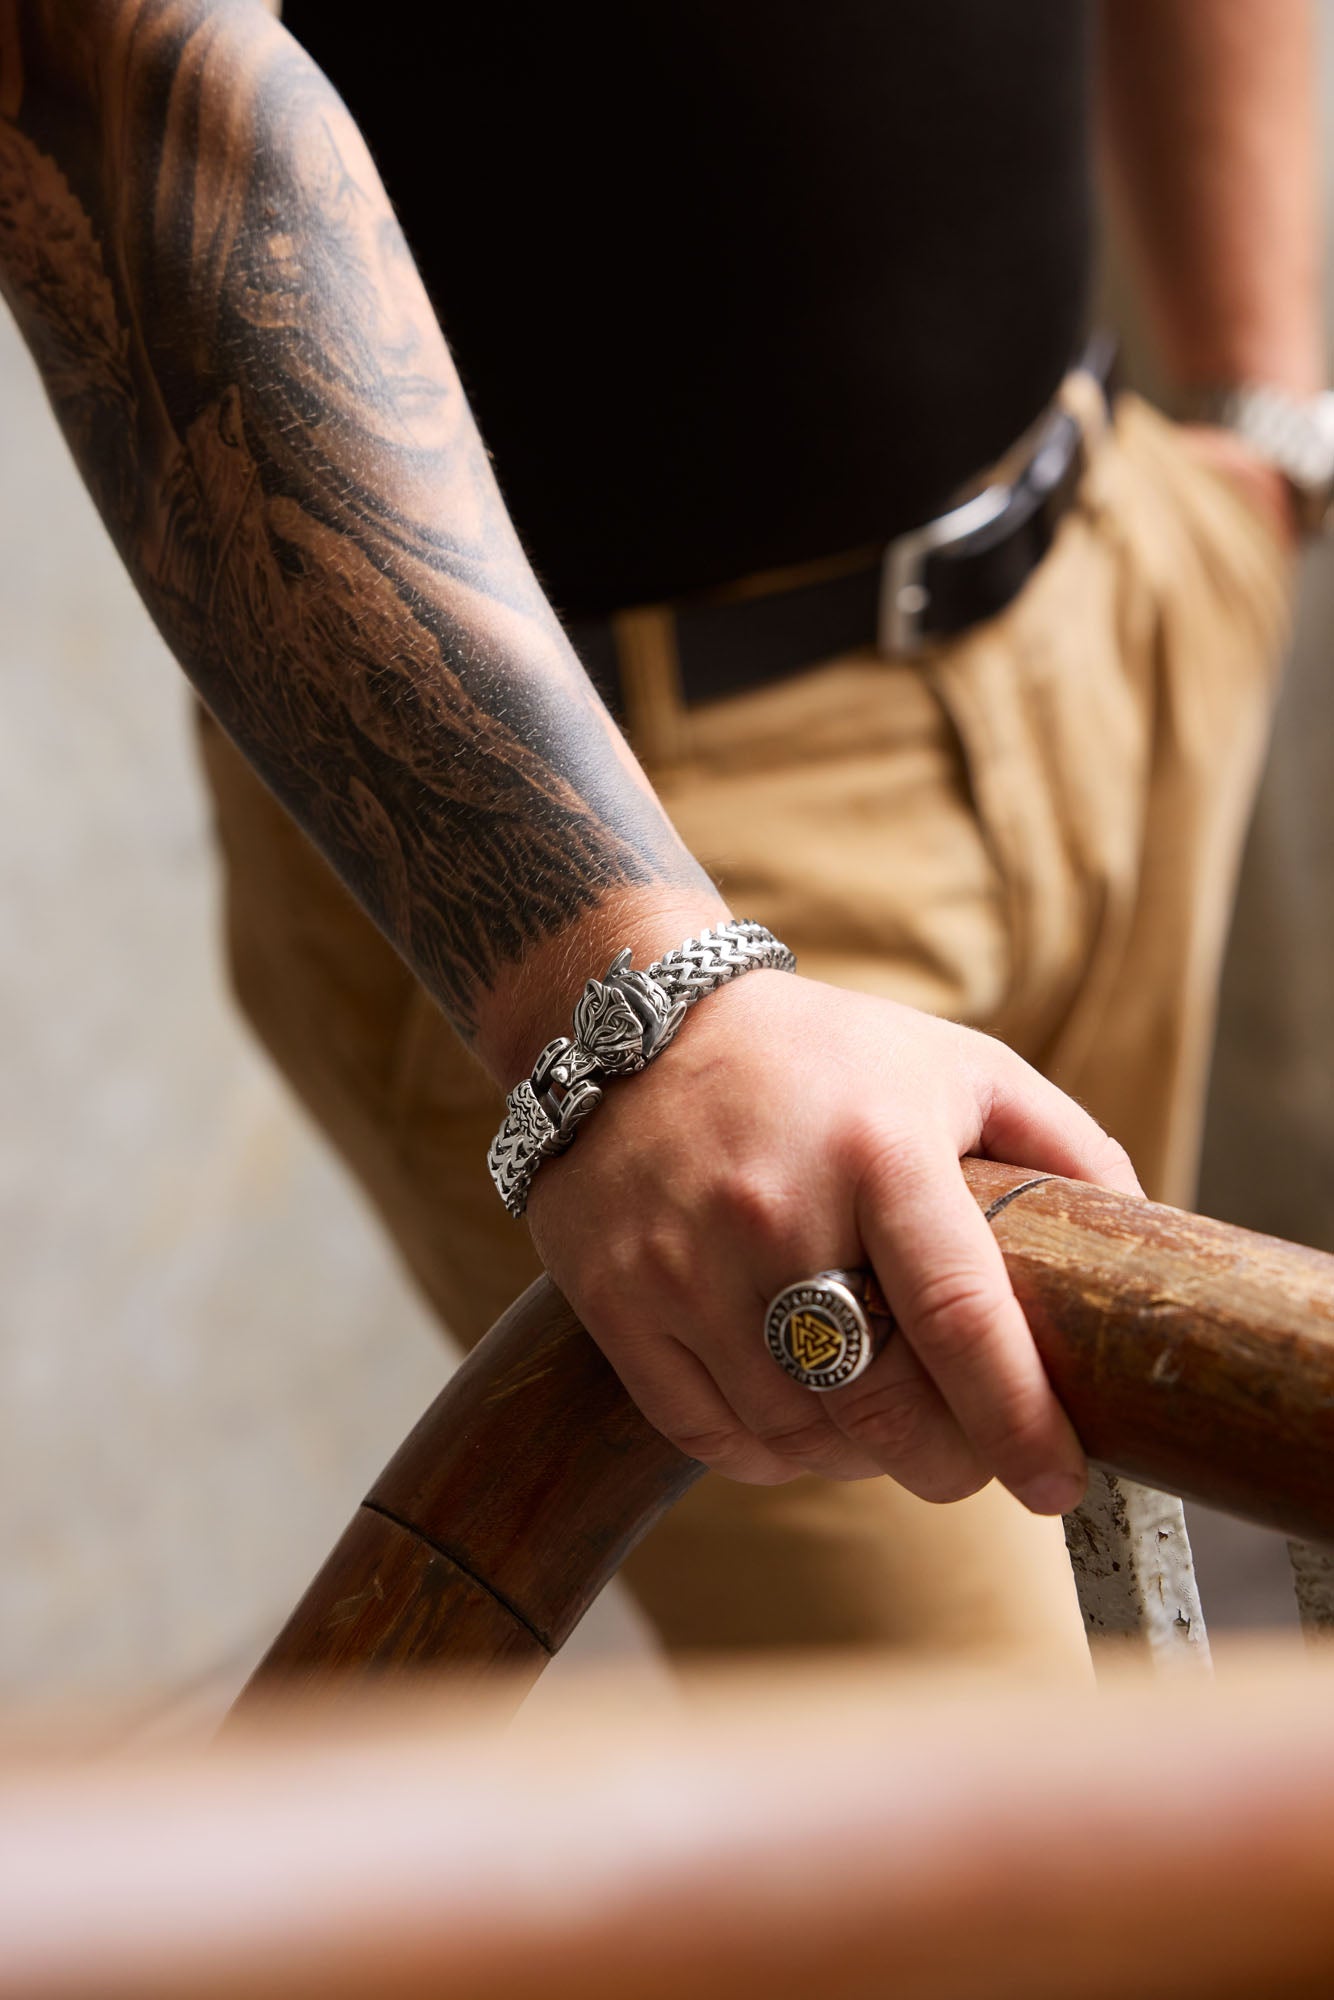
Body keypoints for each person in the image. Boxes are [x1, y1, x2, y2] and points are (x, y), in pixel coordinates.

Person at [0, 0, 1322, 1671]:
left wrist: (1257, 418)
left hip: (1111, 577)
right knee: (1029, 1865)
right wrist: (634, 1015)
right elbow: (96, 75)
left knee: (1120, 1606)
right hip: (647, 864)